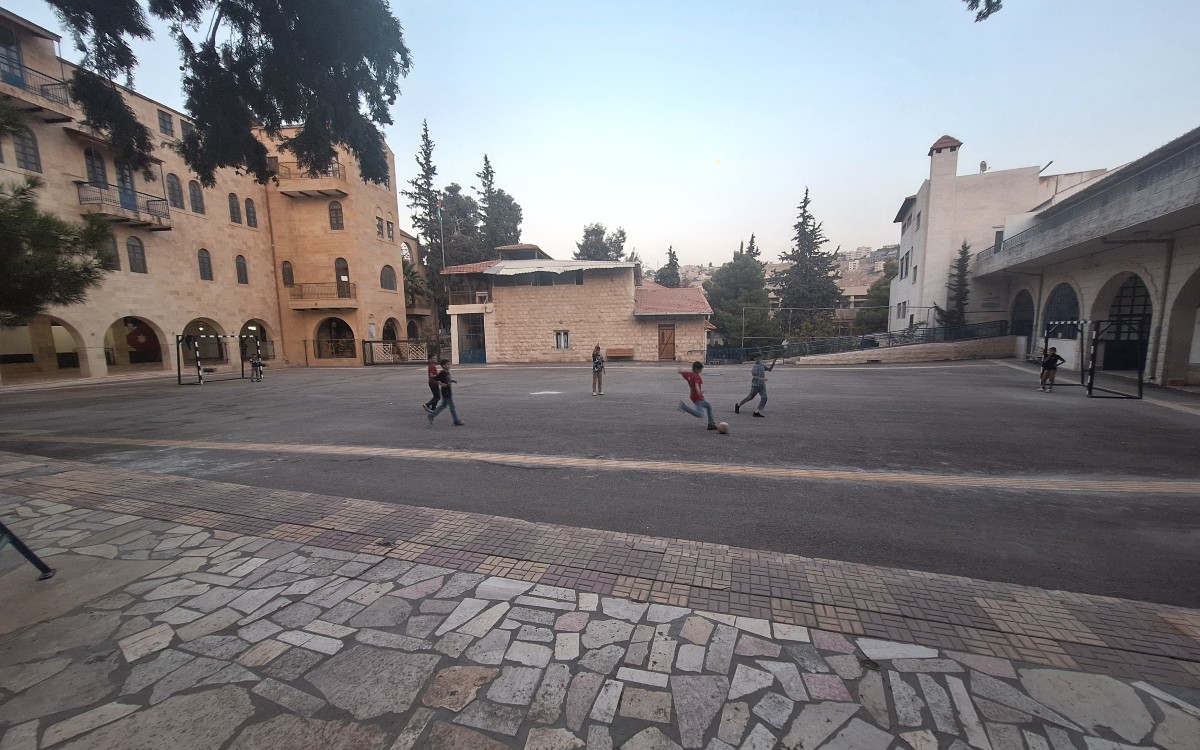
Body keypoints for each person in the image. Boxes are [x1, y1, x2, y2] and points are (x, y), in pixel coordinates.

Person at [678, 361, 718, 430]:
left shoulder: (688, 374)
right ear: (696, 369)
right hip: (698, 397)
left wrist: (680, 368)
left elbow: (681, 372)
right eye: (700, 370)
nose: (701, 371)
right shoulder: (697, 376)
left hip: (693, 396)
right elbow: (696, 384)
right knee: (700, 414)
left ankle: (711, 423)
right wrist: (699, 392)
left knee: (708, 406)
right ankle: (685, 408)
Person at [428, 360, 465, 426]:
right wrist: (441, 384)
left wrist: (452, 381)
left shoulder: (446, 372)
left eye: (449, 364)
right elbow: (434, 379)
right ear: (443, 366)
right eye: (447, 364)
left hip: (448, 391)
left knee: (443, 405)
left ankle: (431, 415)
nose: (449, 366)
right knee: (452, 406)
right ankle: (456, 421)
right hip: (446, 392)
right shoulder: (442, 373)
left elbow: (447, 379)